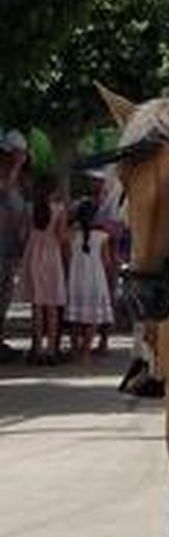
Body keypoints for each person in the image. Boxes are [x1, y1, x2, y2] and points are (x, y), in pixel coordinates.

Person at [18, 179, 68, 365]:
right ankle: (51, 350)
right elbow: (62, 237)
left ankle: (37, 348)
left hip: (33, 256)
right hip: (52, 255)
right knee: (52, 305)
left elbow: (22, 235)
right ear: (53, 191)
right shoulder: (59, 209)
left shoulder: (29, 208)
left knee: (37, 306)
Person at [65, 198, 116, 362]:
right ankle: (86, 352)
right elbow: (107, 261)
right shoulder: (102, 236)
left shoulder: (71, 235)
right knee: (93, 318)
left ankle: (74, 350)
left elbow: (67, 257)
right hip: (95, 279)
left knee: (75, 317)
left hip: (75, 280)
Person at [0, 130, 29, 357]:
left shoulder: (18, 179)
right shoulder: (6, 176)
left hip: (10, 248)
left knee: (5, 295)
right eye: (17, 153)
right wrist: (16, 167)